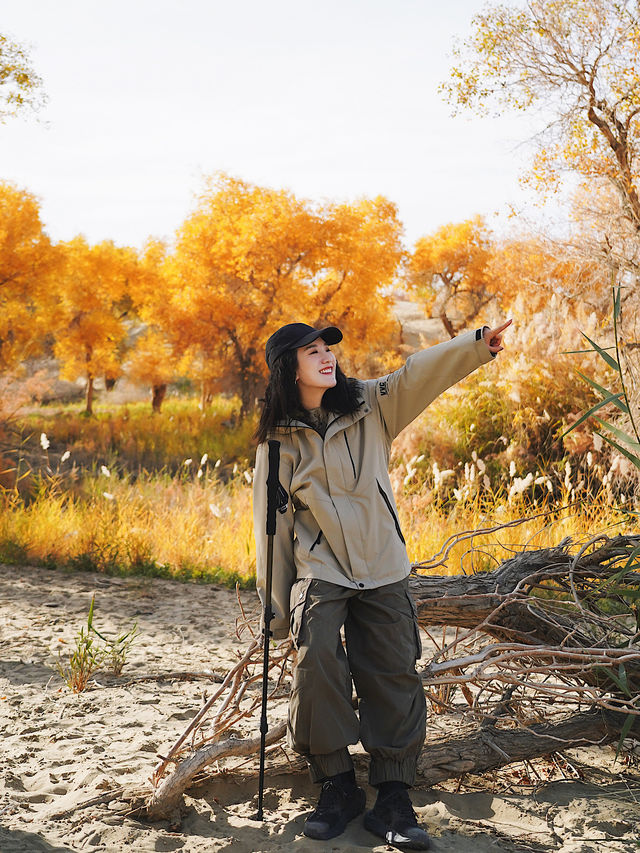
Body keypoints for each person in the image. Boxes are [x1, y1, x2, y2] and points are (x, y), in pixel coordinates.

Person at [253, 318, 511, 849]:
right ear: (288, 368)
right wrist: (276, 612)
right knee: (317, 657)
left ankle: (393, 795)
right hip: (321, 569)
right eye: (312, 353)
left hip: (384, 565)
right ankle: (337, 785)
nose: (327, 358)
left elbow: (417, 374)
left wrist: (474, 345)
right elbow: (269, 531)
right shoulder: (277, 443)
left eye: (328, 349)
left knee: (393, 669)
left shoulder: (370, 404)